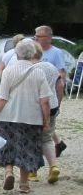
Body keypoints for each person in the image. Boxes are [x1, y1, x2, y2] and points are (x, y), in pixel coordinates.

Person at [0, 39, 51, 193]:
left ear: (16, 53)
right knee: (28, 148)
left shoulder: (8, 71)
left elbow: (2, 97)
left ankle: (8, 172)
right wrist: (46, 120)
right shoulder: (39, 72)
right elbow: (45, 101)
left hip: (8, 116)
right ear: (33, 54)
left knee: (7, 145)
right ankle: (24, 184)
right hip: (31, 118)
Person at [33, 25, 68, 159]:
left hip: (49, 95)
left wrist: (59, 94)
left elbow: (61, 73)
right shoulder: (35, 50)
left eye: (39, 36)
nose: (35, 38)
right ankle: (58, 143)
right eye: (35, 35)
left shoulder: (56, 52)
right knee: (45, 123)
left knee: (45, 123)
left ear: (48, 38)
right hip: (36, 94)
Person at [30, 44, 62, 184]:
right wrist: (58, 104)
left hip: (36, 107)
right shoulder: (51, 67)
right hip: (53, 105)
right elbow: (60, 86)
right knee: (47, 138)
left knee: (32, 139)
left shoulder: (30, 69)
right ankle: (53, 166)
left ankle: (33, 171)